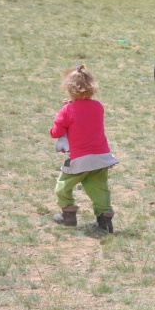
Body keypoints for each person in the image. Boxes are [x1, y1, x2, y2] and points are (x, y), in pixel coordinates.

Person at [49, 65, 119, 232]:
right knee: (99, 188)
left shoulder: (67, 110)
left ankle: (68, 215)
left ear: (70, 89)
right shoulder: (98, 106)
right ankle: (105, 222)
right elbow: (84, 114)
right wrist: (70, 106)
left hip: (80, 159)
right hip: (101, 157)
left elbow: (56, 132)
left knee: (63, 186)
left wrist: (64, 110)